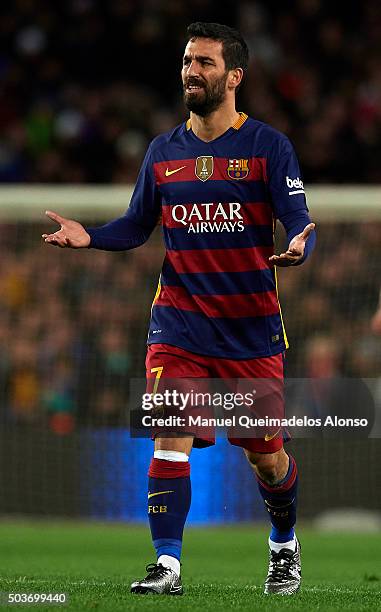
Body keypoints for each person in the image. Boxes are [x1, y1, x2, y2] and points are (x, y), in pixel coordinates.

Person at [43, 22, 316, 596]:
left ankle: (284, 547)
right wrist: (88, 236)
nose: (191, 70)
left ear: (234, 76)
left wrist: (299, 244)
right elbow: (137, 226)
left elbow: (297, 216)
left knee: (268, 460)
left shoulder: (267, 146)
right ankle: (168, 567)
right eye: (188, 60)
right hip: (179, 320)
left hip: (250, 328)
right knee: (172, 433)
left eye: (206, 63)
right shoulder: (163, 152)